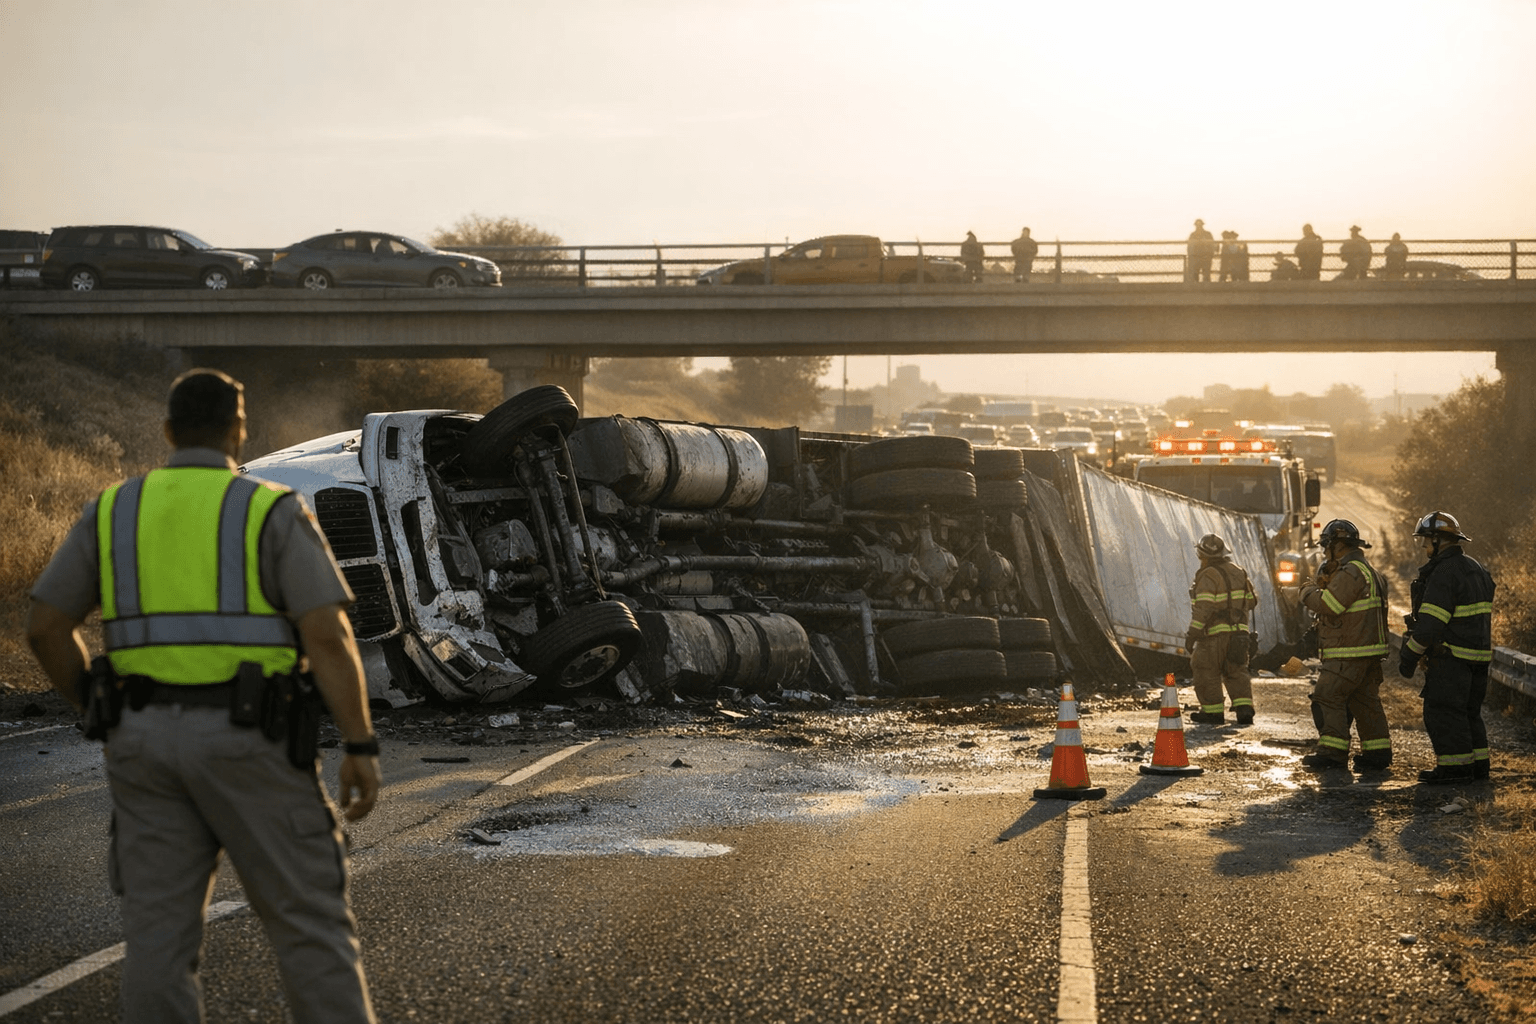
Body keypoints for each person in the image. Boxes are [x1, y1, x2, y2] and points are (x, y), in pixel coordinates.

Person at [25, 369, 381, 1024]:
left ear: (167, 432)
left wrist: (95, 708)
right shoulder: (269, 509)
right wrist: (359, 743)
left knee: (157, 943)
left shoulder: (112, 510)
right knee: (309, 926)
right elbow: (327, 636)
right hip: (254, 740)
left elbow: (45, 626)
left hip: (141, 745)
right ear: (238, 430)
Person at [1400, 511, 1496, 784]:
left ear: (1438, 540)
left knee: (1442, 712)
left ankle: (1454, 770)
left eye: (1425, 541)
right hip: (1478, 658)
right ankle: (1478, 768)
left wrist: (1408, 656)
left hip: (1452, 658)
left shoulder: (1443, 573)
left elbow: (1430, 626)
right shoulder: (1476, 568)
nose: (1423, 547)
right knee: (1469, 714)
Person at [1297, 519, 1392, 771]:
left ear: (1337, 546)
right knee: (1365, 701)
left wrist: (1306, 591)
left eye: (1326, 546)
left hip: (1348, 651)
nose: (1325, 552)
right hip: (1368, 651)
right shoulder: (1372, 572)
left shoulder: (1350, 572)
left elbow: (1331, 605)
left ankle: (1332, 754)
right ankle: (1377, 755)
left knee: (1328, 696)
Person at [1184, 533, 1259, 725]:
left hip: (1214, 636)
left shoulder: (1207, 574)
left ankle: (1213, 712)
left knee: (1205, 669)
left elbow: (1204, 608)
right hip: (1239, 634)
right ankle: (1244, 710)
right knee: (1236, 670)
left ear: (1202, 555)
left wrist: (1192, 634)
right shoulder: (1239, 571)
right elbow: (1251, 601)